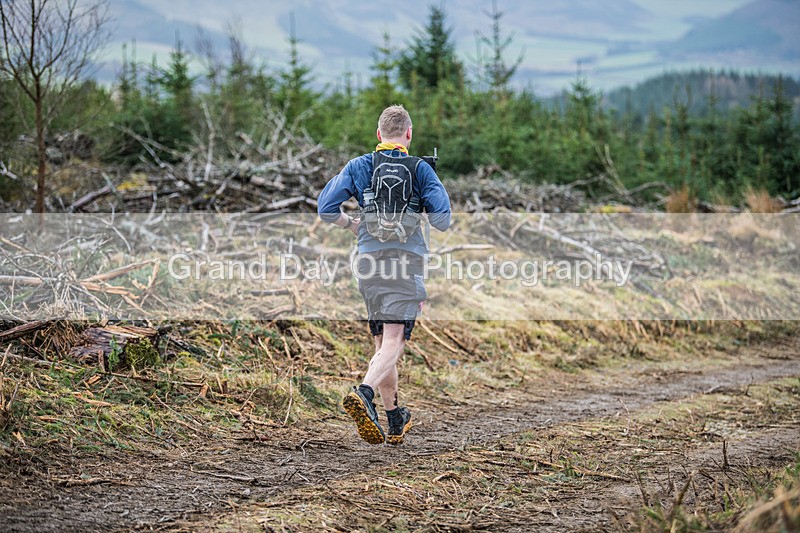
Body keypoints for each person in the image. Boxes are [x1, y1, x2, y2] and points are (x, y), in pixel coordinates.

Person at [317, 105, 451, 444]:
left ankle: (393, 418)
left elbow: (325, 208)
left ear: (379, 135)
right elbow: (443, 220)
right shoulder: (420, 168)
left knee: (381, 342)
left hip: (368, 263)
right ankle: (363, 392)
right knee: (394, 338)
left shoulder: (360, 165)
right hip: (405, 263)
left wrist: (351, 225)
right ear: (409, 134)